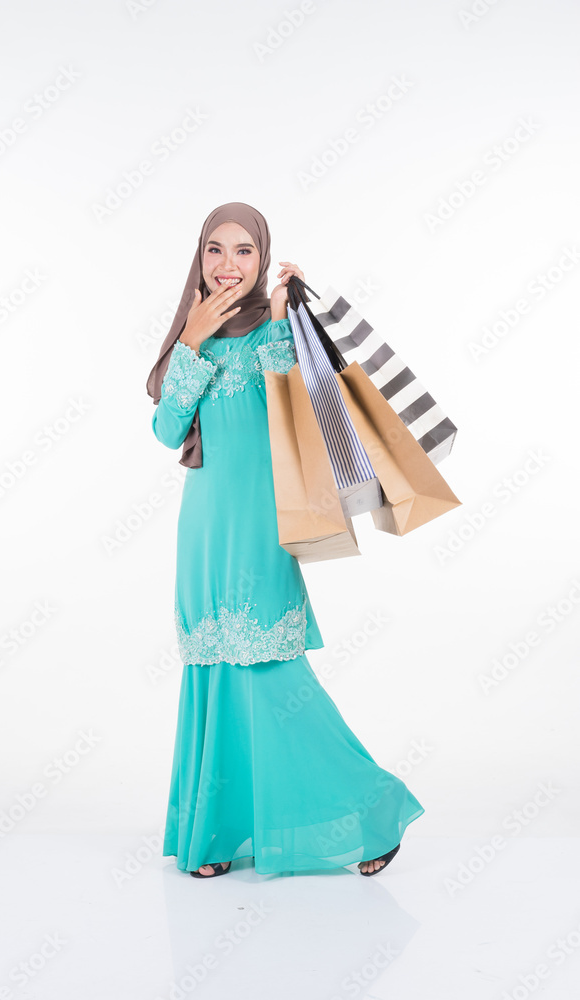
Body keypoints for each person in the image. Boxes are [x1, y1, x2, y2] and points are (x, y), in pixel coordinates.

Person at [146, 202, 424, 878]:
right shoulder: (193, 334)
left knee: (273, 677)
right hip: (203, 529)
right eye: (215, 249)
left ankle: (373, 809)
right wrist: (190, 343)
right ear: (199, 258)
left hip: (261, 529)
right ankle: (216, 836)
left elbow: (290, 410)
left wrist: (279, 315)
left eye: (244, 250)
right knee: (213, 676)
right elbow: (166, 430)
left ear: (262, 258)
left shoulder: (269, 333)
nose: (228, 264)